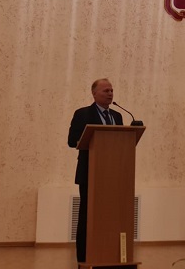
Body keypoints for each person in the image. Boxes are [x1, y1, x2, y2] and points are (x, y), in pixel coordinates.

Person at [67, 78, 123, 263]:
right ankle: (83, 258)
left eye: (111, 90)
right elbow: (72, 140)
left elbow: (121, 143)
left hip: (112, 174)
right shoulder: (82, 114)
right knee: (87, 215)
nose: (110, 94)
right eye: (106, 90)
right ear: (94, 93)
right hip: (89, 173)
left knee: (110, 216)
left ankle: (108, 253)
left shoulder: (117, 116)